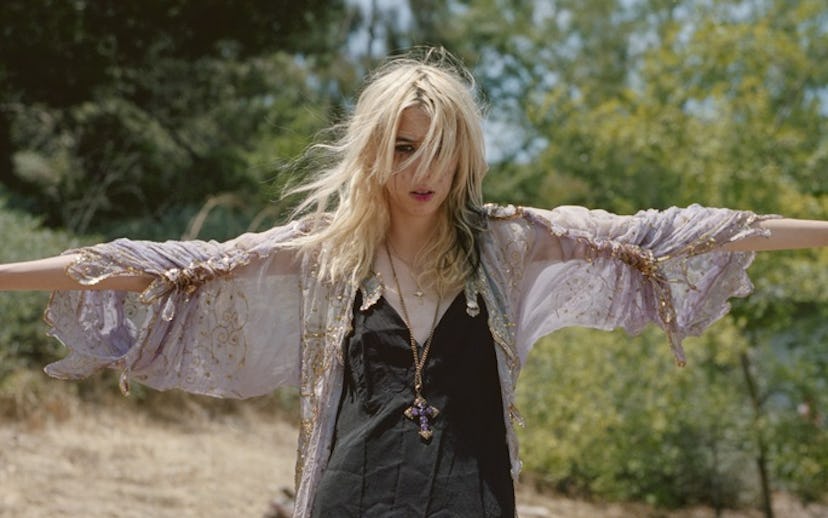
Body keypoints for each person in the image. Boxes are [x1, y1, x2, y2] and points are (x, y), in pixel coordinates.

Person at [1, 47, 827, 518]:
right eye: (401, 147)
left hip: (474, 498)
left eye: (437, 148)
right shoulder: (324, 252)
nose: (421, 169)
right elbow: (149, 267)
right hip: (351, 497)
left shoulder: (511, 242)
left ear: (463, 151)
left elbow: (681, 234)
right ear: (374, 152)